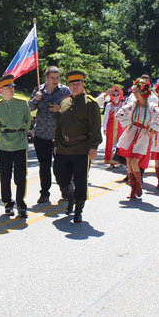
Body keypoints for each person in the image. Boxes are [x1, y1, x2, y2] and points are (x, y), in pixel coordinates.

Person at [53, 70, 101, 223]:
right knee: (60, 176)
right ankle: (70, 197)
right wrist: (56, 144)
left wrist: (93, 147)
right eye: (72, 84)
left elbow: (95, 127)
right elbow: (59, 125)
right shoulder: (65, 101)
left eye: (77, 83)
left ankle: (78, 209)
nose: (74, 86)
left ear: (82, 84)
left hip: (82, 148)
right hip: (64, 147)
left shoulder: (90, 103)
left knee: (81, 180)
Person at [115, 77, 159, 199]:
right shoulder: (132, 105)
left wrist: (152, 127)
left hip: (143, 136)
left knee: (134, 162)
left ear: (143, 92)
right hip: (131, 134)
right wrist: (129, 122)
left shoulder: (152, 107)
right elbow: (119, 114)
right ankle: (133, 188)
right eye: (133, 92)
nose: (134, 94)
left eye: (136, 91)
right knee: (128, 162)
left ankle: (138, 184)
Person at [28, 66, 71, 203]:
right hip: (41, 135)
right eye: (52, 78)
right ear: (46, 77)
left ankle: (65, 190)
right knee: (44, 166)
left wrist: (60, 109)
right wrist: (36, 99)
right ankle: (44, 193)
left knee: (60, 166)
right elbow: (29, 108)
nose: (55, 80)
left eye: (57, 78)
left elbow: (73, 109)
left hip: (59, 136)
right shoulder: (39, 90)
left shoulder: (65, 91)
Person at [0, 74, 32, 217]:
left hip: (20, 143)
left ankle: (21, 203)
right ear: (1, 90)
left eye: (12, 87)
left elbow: (28, 122)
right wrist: (6, 137)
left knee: (21, 176)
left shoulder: (22, 104)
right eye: (8, 88)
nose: (11, 90)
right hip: (5, 145)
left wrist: (21, 134)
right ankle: (8, 203)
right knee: (5, 176)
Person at [102, 85, 125, 169]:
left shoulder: (123, 105)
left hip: (120, 127)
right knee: (110, 144)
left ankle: (120, 160)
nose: (115, 97)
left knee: (120, 144)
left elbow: (125, 117)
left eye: (117, 95)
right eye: (114, 95)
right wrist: (104, 128)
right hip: (110, 127)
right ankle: (111, 162)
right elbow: (105, 117)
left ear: (120, 95)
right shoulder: (109, 105)